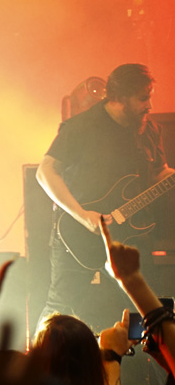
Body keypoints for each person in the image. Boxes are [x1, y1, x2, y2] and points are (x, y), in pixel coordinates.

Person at [36, 63, 175, 331]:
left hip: (130, 234)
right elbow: (45, 172)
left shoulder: (148, 130)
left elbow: (157, 174)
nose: (149, 105)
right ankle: (41, 364)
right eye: (142, 98)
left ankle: (143, 370)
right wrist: (83, 215)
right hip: (78, 233)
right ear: (120, 98)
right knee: (60, 307)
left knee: (144, 309)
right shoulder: (81, 127)